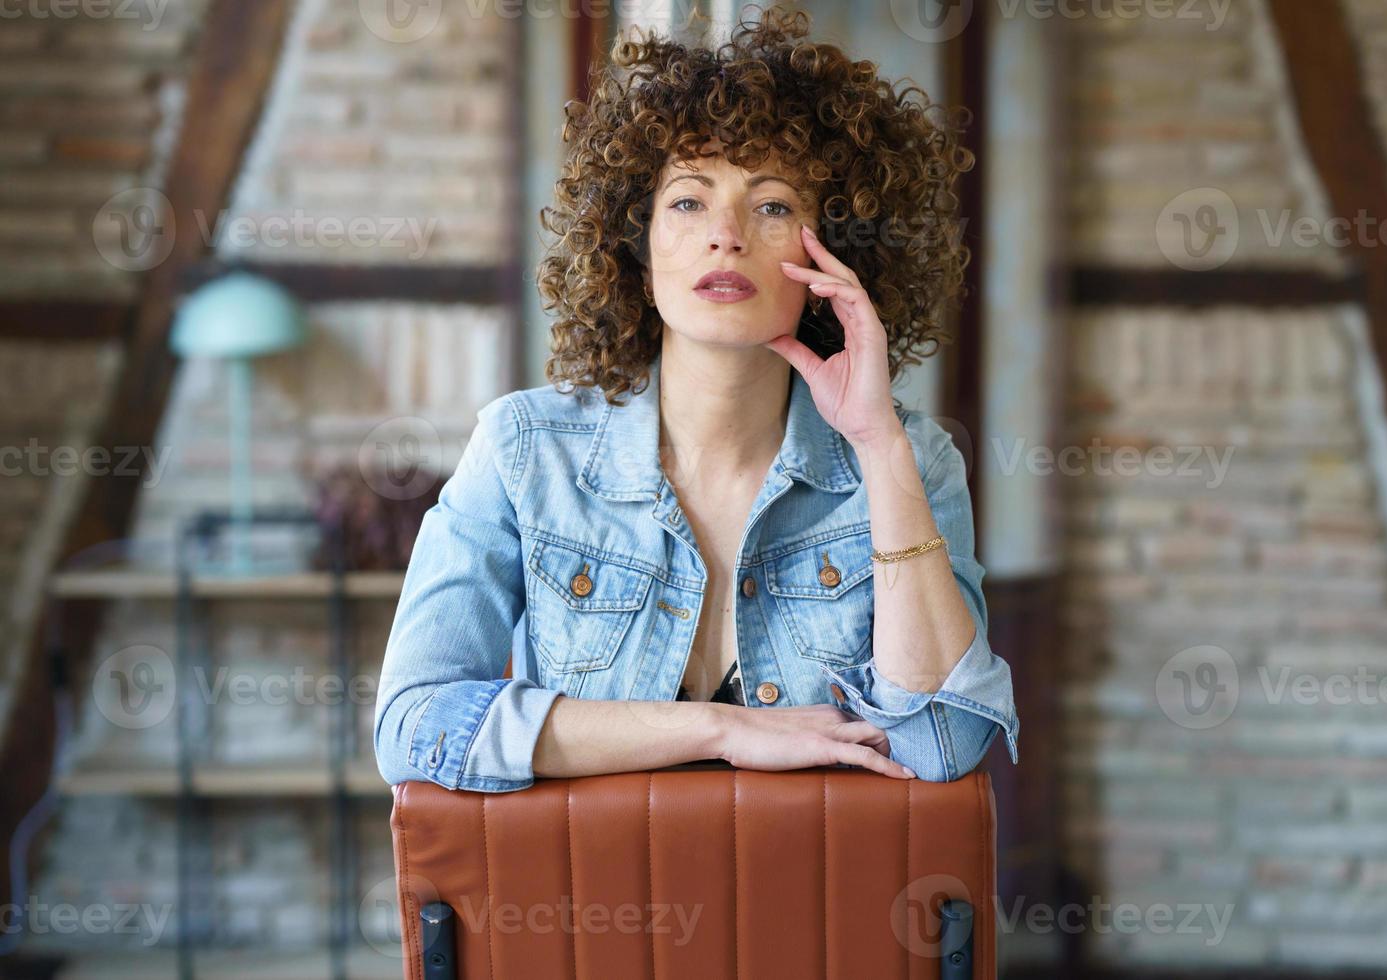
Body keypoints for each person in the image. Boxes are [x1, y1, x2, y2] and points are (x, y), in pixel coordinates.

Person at [373, 7, 1017, 794]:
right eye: (687, 201)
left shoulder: (913, 461)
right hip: (588, 906)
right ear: (638, 256)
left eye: (773, 205)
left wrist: (879, 444)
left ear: (833, 257)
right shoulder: (522, 451)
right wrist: (722, 728)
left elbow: (943, 744)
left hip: (816, 911)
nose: (728, 234)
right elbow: (414, 725)